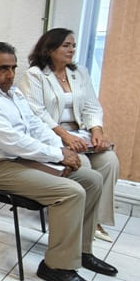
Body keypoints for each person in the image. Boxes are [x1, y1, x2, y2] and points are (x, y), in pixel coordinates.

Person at [0, 42, 117, 281]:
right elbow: (12, 141)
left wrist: (62, 148)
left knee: (92, 179)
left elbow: (34, 126)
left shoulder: (10, 91)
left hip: (16, 159)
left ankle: (81, 251)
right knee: (71, 192)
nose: (10, 75)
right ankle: (56, 266)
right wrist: (58, 156)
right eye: (3, 69)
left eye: (13, 68)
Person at [18, 28, 120, 242]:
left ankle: (96, 220)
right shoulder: (35, 75)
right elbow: (36, 112)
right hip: (51, 134)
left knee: (109, 160)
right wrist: (65, 136)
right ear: (50, 48)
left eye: (73, 45)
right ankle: (79, 219)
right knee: (82, 163)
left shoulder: (79, 72)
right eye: (66, 45)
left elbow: (92, 106)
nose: (72, 50)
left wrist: (97, 132)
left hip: (80, 133)